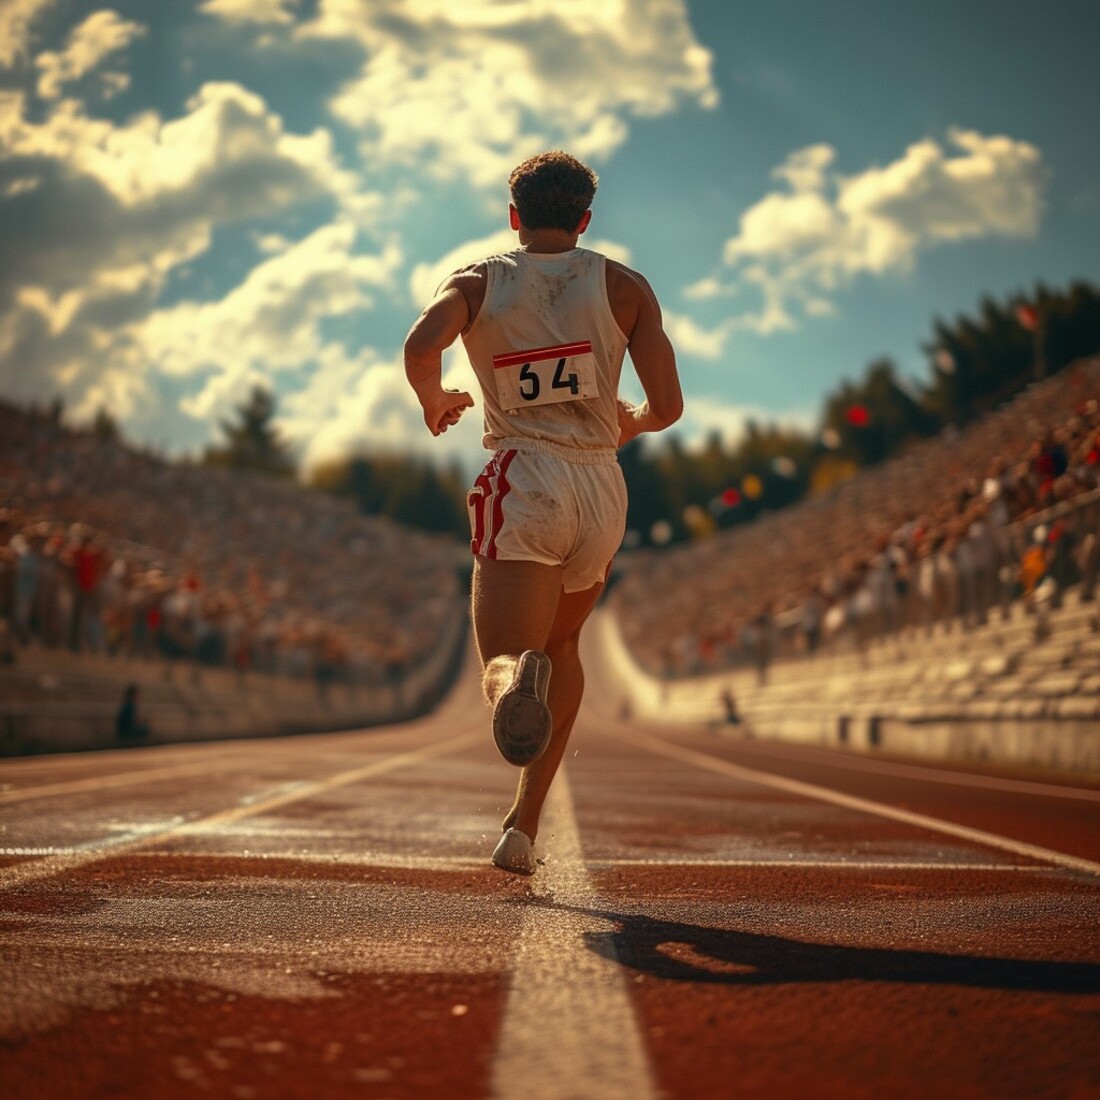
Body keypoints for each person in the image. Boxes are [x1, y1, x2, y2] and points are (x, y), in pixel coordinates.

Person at [404, 150, 682, 874]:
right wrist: (636, 423)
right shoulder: (624, 286)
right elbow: (670, 405)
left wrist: (437, 401)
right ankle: (523, 829)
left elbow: (420, 345)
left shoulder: (477, 280)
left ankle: (510, 679)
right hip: (602, 489)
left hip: (525, 474)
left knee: (506, 658)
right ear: (585, 219)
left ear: (514, 217)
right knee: (566, 650)